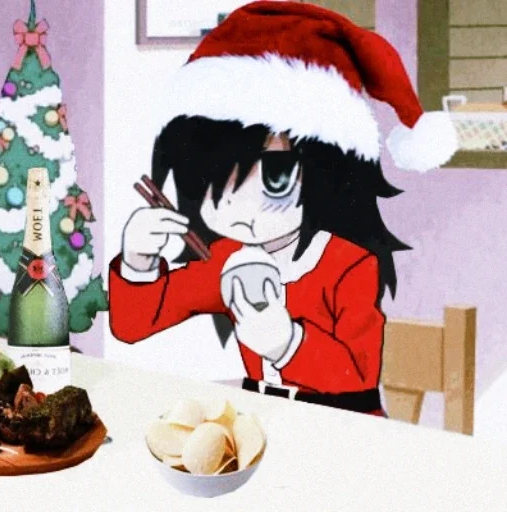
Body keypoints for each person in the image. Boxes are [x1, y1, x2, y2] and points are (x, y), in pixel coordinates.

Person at [108, 1, 458, 415]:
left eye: (274, 178)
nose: (243, 208)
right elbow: (134, 325)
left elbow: (359, 372)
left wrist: (287, 344)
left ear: (324, 173)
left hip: (350, 430)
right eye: (214, 185)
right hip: (264, 425)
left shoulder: (348, 266)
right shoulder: (227, 260)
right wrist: (138, 261)